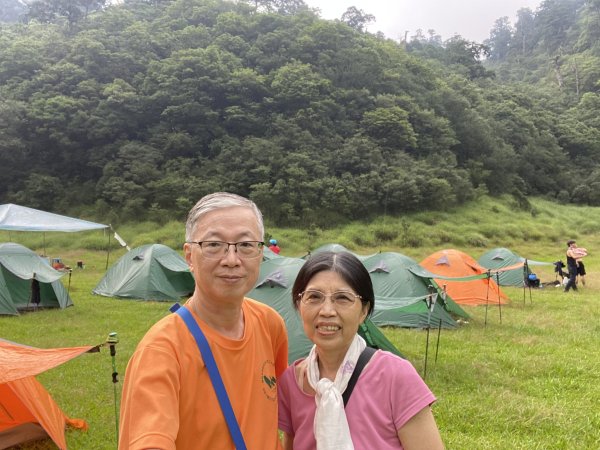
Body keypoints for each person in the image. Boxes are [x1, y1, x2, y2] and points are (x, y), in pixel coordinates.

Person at [119, 192, 289, 450]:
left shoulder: (270, 324)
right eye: (213, 245)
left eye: (245, 245)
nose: (231, 260)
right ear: (189, 256)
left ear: (261, 252)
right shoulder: (162, 351)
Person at [278, 251, 444, 450]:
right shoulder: (291, 382)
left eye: (342, 298)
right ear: (299, 305)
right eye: (314, 297)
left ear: (364, 310)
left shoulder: (395, 375)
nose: (327, 311)